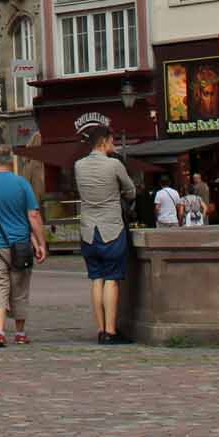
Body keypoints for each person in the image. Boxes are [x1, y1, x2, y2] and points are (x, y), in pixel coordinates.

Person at [72, 112, 137, 345]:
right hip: (111, 228)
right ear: (104, 142)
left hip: (88, 229)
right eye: (112, 141)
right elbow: (130, 190)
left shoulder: (79, 165)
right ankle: (111, 330)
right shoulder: (114, 165)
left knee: (96, 278)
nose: (114, 145)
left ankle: (100, 329)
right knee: (111, 278)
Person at [0, 145, 45, 348]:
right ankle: (20, 332)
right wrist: (41, 243)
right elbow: (33, 215)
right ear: (11, 160)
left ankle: (0, 331)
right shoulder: (21, 183)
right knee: (19, 288)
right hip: (19, 245)